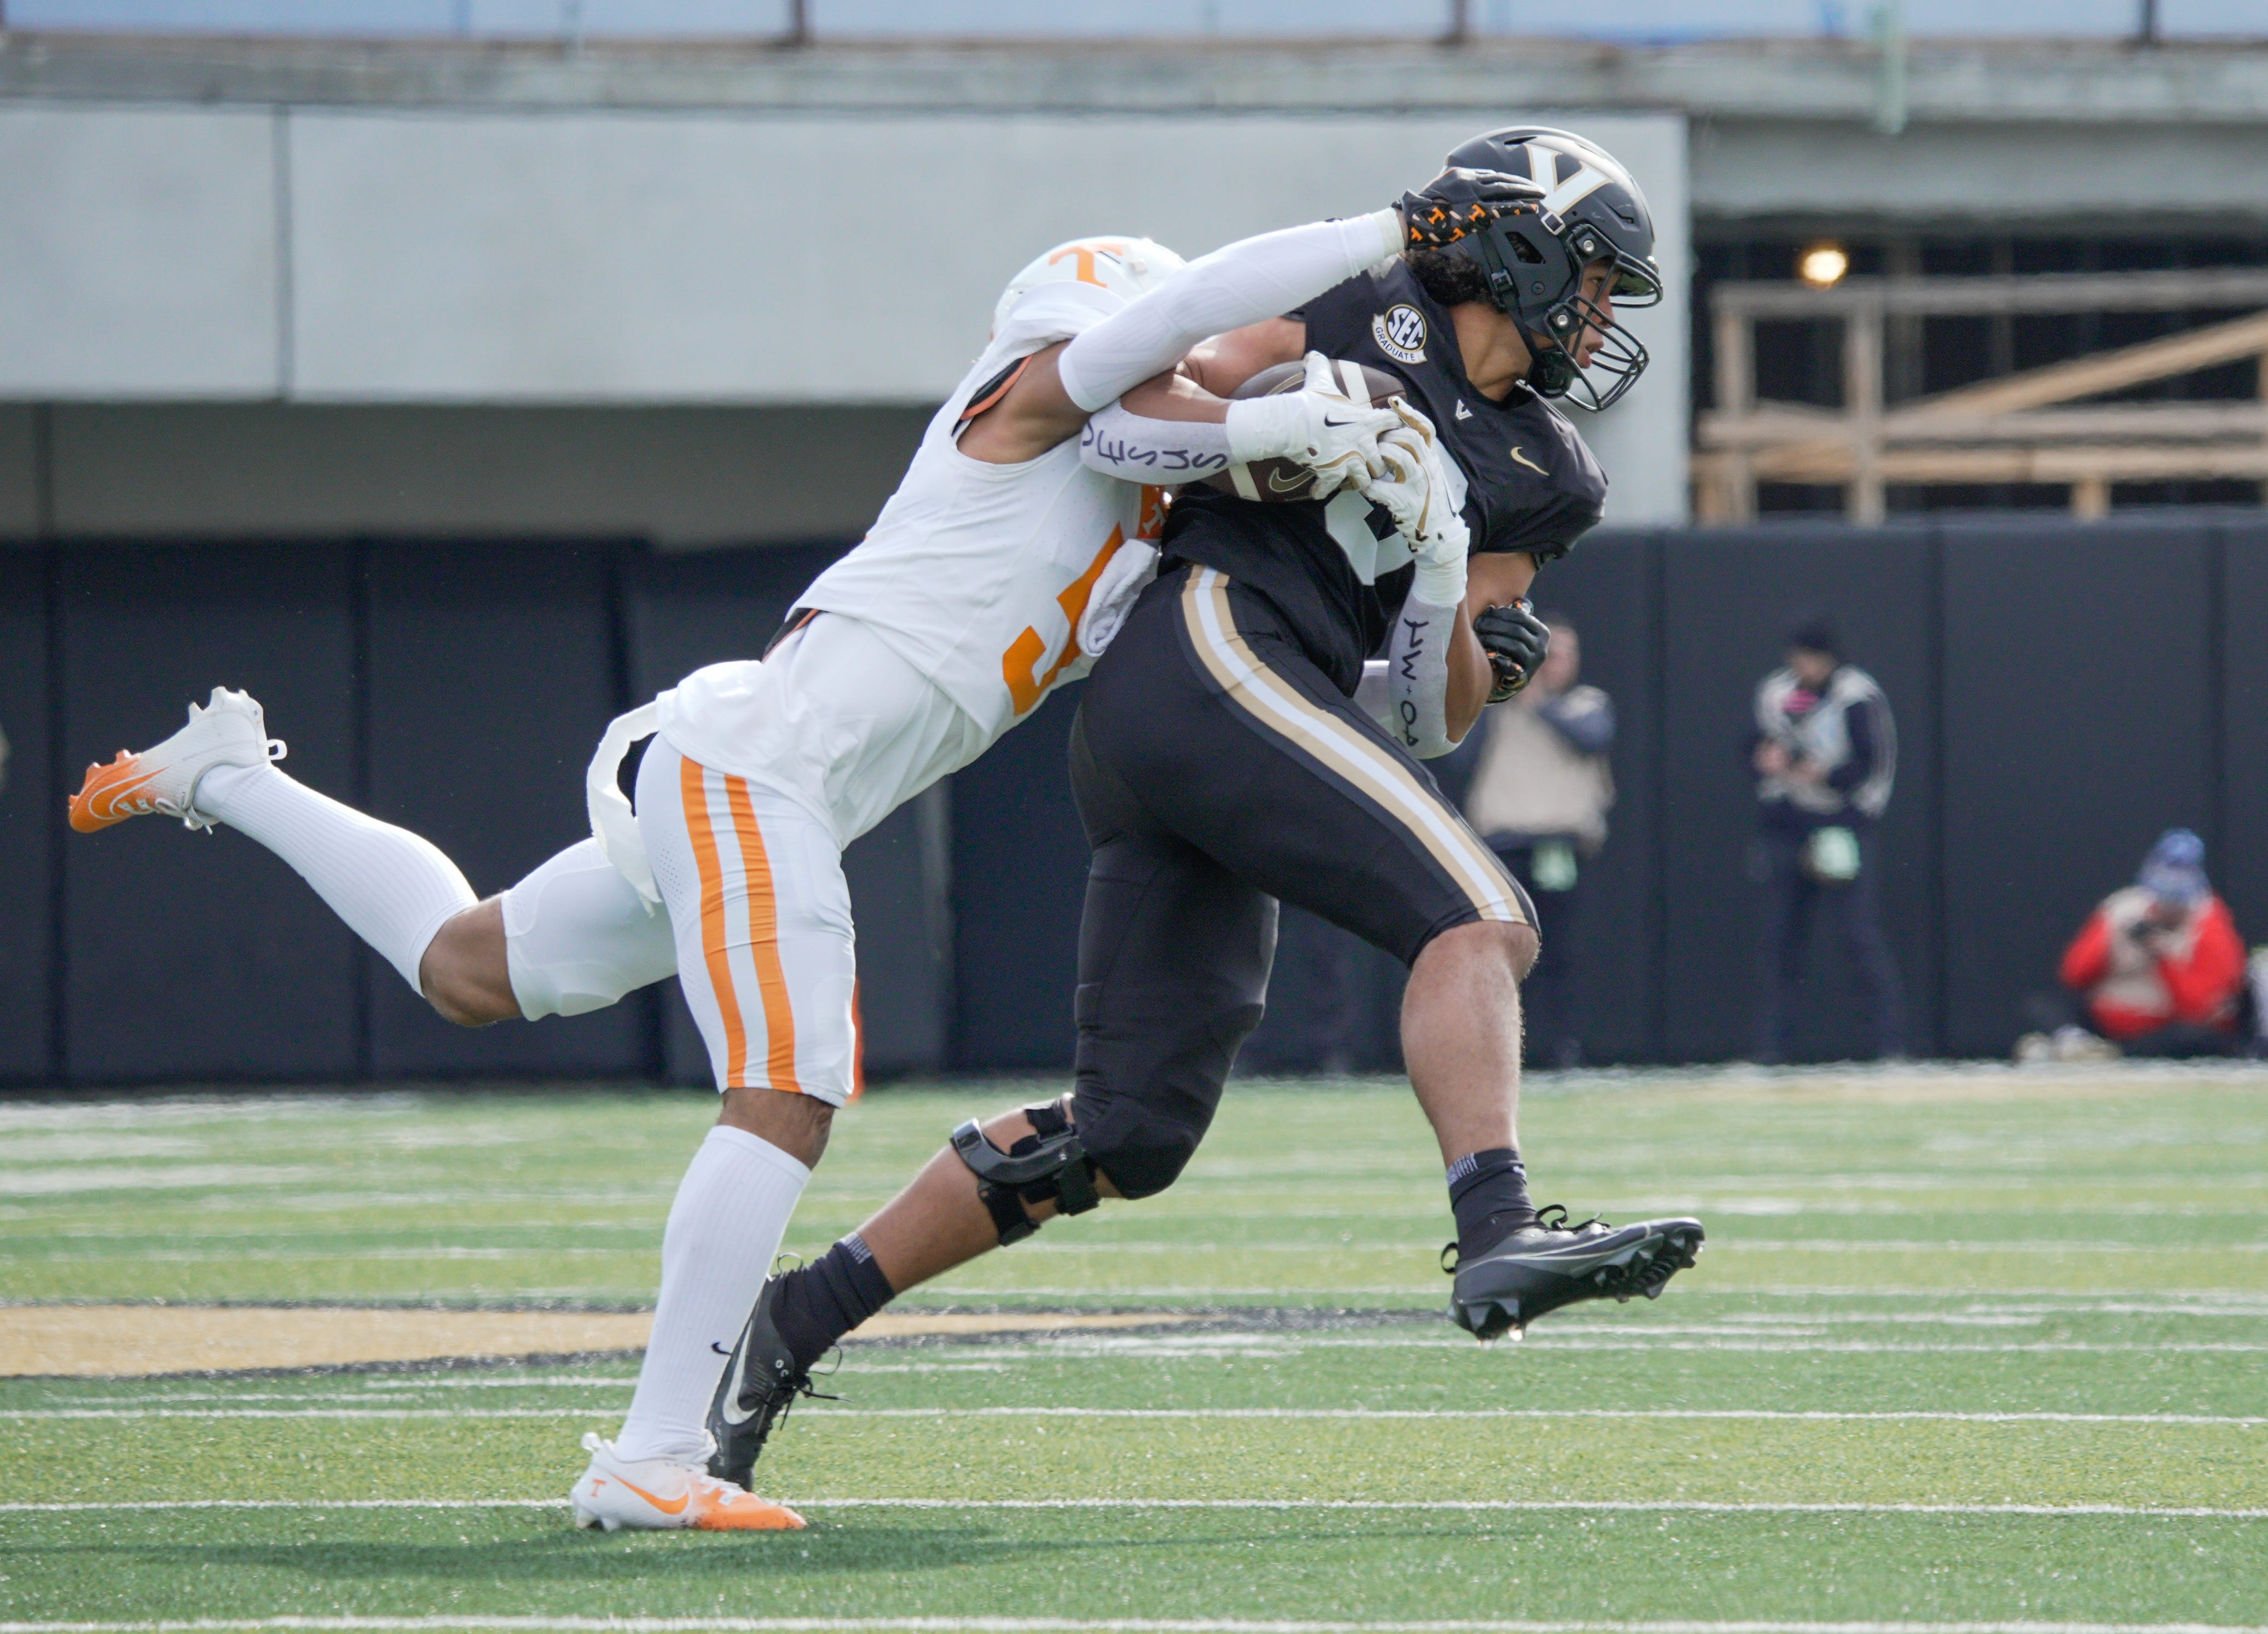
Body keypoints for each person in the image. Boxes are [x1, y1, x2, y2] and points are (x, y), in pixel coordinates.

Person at [62, 177, 1515, 1532]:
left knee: (467, 966)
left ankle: (235, 773)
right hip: (753, 766)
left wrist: (1408, 525)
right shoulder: (1018, 410)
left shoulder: (1145, 525)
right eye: (1162, 357)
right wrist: (1376, 232)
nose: (1178, 379)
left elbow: (1260, 454)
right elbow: (1169, 343)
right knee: (788, 1089)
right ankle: (652, 1457)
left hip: (757, 782)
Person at [705, 127, 1706, 1494]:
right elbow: (1132, 416)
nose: (1600, 318)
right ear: (1520, 247)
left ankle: (787, 1318)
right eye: (1594, 279)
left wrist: (1442, 589)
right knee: (1478, 919)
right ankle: (1497, 1222)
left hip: (1235, 704)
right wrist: (1294, 427)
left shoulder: (1552, 469)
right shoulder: (1365, 307)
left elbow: (1433, 713)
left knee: (1130, 1133)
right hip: (1205, 641)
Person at [1746, 615, 1906, 1063]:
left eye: (1812, 658)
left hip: (1840, 828)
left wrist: (1826, 776)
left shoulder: (1858, 696)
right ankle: (1772, 1049)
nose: (1804, 666)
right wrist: (1770, 761)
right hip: (1788, 828)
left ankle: (1886, 1043)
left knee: (1858, 936)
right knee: (1781, 939)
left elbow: (1873, 768)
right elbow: (1752, 747)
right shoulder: (1776, 693)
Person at [1460, 611, 1613, 1068]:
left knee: (1562, 950)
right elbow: (1457, 755)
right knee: (1503, 954)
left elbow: (1593, 738)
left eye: (1567, 653)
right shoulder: (1498, 707)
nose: (1557, 662)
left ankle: (1562, 1044)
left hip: (1558, 846)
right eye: (1550, 652)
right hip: (1505, 843)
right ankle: (1504, 1047)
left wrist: (1540, 702)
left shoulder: (1587, 703)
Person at [2025, 828, 2249, 1059]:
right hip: (2107, 1022)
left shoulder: (2211, 924)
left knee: (2193, 1037)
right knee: (2047, 1004)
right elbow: (2074, 974)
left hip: (2163, 1030)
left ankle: (2106, 1057)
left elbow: (2199, 1008)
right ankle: (2073, 1043)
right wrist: (2112, 941)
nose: (2165, 909)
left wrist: (2164, 955)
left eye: (2175, 902)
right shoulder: (2123, 908)